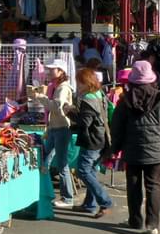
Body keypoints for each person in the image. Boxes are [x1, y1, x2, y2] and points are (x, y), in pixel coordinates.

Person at [111, 61, 160, 234]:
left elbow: (117, 127)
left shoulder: (125, 101)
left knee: (134, 185)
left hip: (132, 149)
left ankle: (135, 220)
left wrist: (115, 148)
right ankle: (152, 224)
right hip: (155, 151)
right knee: (154, 185)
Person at [64, 68, 113, 218]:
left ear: (86, 82)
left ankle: (105, 201)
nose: (78, 85)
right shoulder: (100, 94)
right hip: (102, 136)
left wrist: (69, 111)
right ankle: (89, 205)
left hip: (92, 140)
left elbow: (84, 122)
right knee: (90, 170)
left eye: (79, 82)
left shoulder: (88, 99)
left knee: (83, 170)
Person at [35, 59, 75, 208]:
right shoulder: (56, 86)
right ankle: (47, 192)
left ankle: (67, 197)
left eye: (53, 69)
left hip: (61, 128)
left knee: (61, 163)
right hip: (55, 128)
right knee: (46, 159)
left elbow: (57, 107)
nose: (49, 71)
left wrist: (41, 98)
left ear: (61, 72)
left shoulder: (63, 88)